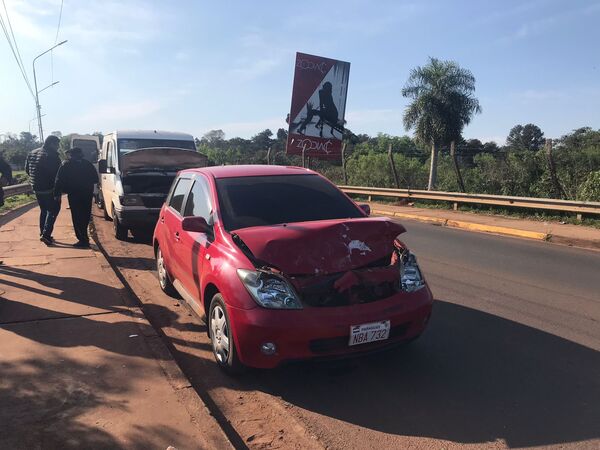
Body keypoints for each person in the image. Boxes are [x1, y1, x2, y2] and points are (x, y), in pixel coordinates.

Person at [54, 147, 98, 248]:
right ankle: (84, 238)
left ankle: (83, 239)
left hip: (74, 195)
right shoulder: (87, 164)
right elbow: (95, 179)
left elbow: (59, 180)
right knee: (85, 216)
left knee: (77, 217)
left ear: (71, 155)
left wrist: (57, 194)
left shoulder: (66, 164)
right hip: (87, 194)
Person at [25, 135, 62, 245]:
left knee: (44, 210)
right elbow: (57, 174)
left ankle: (43, 233)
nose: (58, 147)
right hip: (49, 188)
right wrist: (58, 190)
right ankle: (46, 235)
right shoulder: (52, 155)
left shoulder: (32, 153)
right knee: (53, 210)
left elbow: (27, 170)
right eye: (57, 144)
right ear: (51, 143)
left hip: (36, 187)